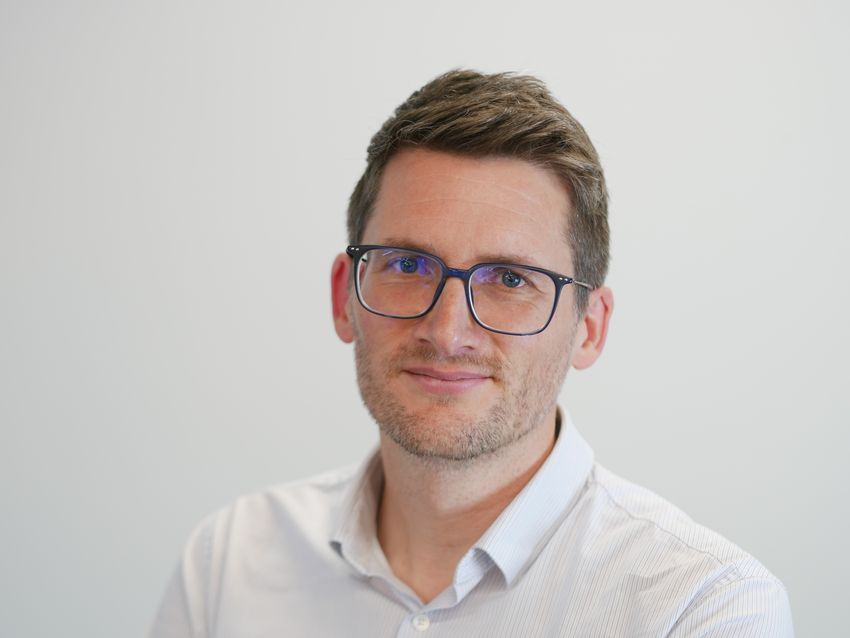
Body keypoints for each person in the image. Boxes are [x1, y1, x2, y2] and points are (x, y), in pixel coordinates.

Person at [150, 69, 793, 637]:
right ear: (345, 297)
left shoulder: (703, 609)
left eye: (510, 279)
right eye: (407, 263)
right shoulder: (230, 562)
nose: (447, 329)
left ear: (588, 328)